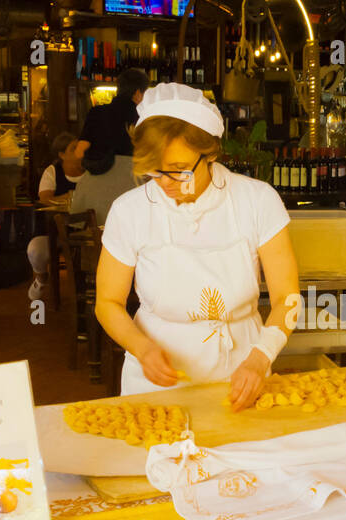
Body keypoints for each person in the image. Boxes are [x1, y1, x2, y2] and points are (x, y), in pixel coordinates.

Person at [94, 83, 300, 411]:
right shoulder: (129, 210)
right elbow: (107, 301)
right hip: (154, 382)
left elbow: (287, 299)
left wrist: (260, 359)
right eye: (154, 171)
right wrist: (143, 349)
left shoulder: (257, 201)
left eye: (178, 171)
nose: (164, 183)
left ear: (211, 154)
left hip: (239, 372)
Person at [73, 67, 148, 227]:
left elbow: (79, 152)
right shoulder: (143, 118)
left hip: (91, 193)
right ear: (138, 93)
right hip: (129, 190)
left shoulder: (96, 112)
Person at [27, 133, 84, 300]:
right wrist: (72, 197)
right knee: (35, 249)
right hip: (56, 233)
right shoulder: (53, 172)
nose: (80, 152)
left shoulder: (90, 171)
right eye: (74, 148)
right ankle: (41, 277)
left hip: (84, 231)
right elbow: (44, 198)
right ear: (61, 154)